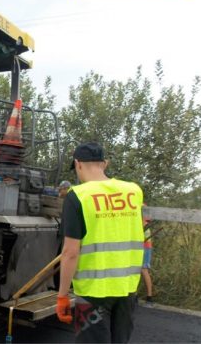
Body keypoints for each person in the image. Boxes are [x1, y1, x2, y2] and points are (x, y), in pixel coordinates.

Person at [56, 142, 144, 343]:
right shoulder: (133, 191)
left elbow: (70, 252)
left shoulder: (78, 196)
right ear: (105, 163)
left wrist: (62, 295)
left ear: (78, 164)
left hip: (92, 293)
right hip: (127, 289)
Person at [141, 205, 154, 307]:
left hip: (144, 245)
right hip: (139, 244)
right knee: (136, 270)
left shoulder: (142, 206)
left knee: (144, 270)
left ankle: (149, 298)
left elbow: (145, 223)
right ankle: (134, 296)